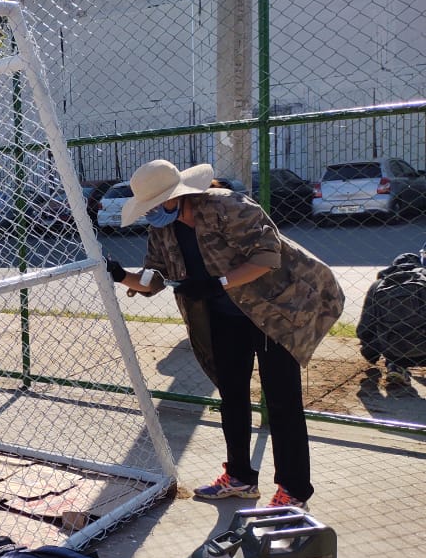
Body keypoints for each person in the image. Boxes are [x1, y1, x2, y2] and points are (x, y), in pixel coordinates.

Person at [106, 159, 344, 509]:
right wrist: (122, 276)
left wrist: (216, 282)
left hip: (274, 309)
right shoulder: (163, 228)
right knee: (232, 396)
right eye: (148, 207)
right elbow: (155, 278)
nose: (152, 212)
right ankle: (240, 478)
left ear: (178, 196)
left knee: (282, 401)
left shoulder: (228, 206)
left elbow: (267, 258)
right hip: (223, 316)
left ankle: (294, 491)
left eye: (157, 204)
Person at [358, 250, 426, 387]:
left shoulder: (378, 285)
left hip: (394, 351)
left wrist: (371, 353)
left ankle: (395, 367)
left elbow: (365, 326)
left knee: (385, 329)